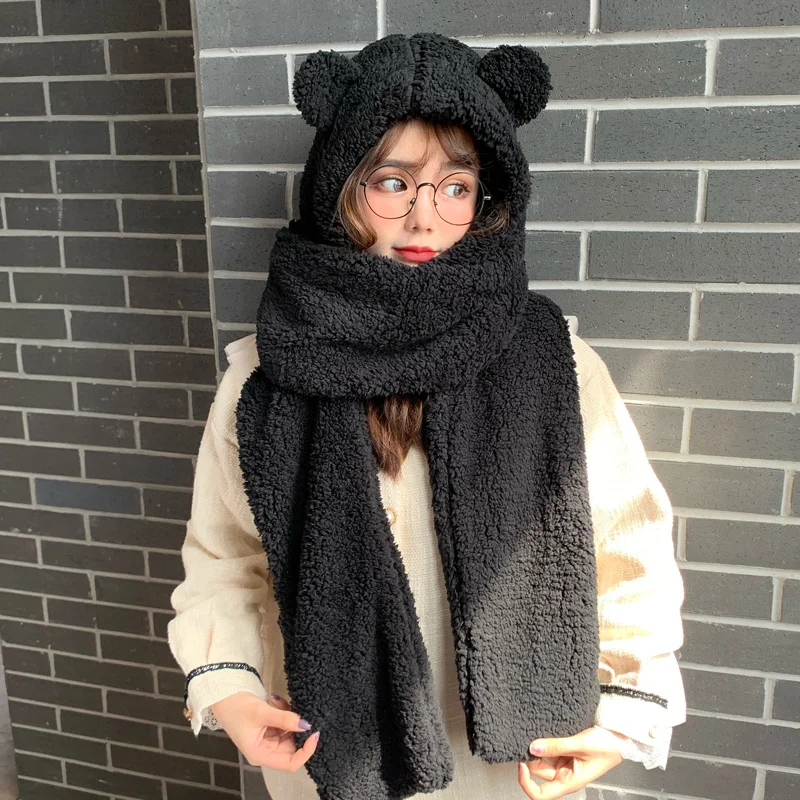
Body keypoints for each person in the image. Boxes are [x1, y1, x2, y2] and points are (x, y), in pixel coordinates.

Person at [167, 32, 686, 800]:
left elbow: (625, 542)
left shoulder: (554, 360)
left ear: (487, 197)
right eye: (392, 182)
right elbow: (225, 558)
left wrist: (623, 710)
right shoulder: (264, 374)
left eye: (455, 186)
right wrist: (231, 691)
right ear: (340, 188)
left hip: (511, 764)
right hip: (331, 753)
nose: (424, 216)